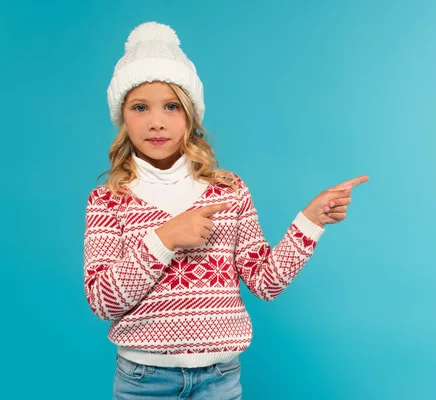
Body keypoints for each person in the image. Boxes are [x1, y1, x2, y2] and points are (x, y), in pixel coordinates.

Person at [84, 21, 368, 399]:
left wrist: (311, 220)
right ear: (123, 117)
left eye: (171, 106)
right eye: (140, 107)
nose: (156, 121)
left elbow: (265, 282)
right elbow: (103, 301)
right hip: (144, 380)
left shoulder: (228, 190)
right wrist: (165, 237)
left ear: (189, 114)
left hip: (219, 379)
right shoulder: (107, 200)